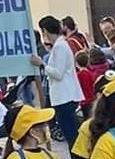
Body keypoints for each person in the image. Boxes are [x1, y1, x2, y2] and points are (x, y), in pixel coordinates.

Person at [36, 16, 84, 149]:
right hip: (63, 96)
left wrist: (42, 65)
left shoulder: (60, 46)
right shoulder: (59, 45)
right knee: (71, 136)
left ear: (45, 31)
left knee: (72, 137)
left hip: (65, 96)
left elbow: (58, 73)